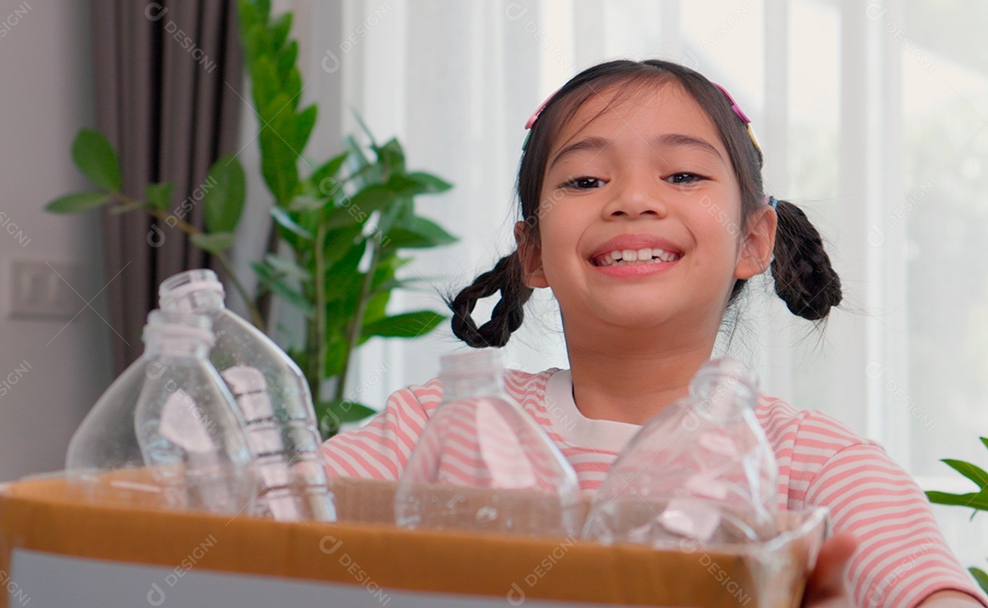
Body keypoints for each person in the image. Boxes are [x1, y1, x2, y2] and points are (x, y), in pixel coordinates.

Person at [322, 59, 987, 608]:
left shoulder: (815, 465)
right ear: (532, 254)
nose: (633, 198)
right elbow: (261, 522)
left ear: (753, 240)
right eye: (585, 179)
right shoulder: (442, 424)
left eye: (683, 175)